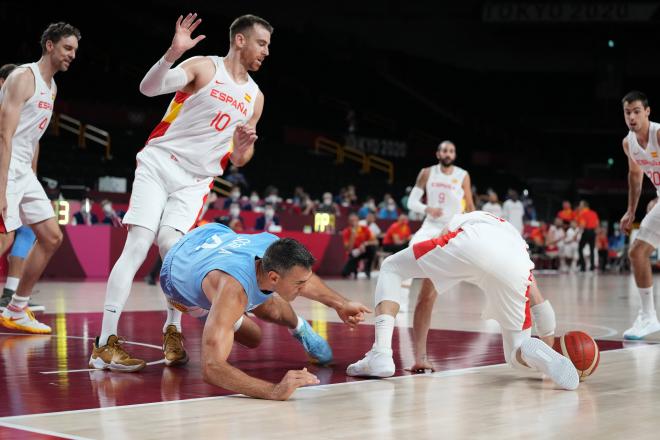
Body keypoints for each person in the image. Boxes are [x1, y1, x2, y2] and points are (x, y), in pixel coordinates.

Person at [92, 13, 271, 369]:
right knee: (140, 244)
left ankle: (172, 332)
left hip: (196, 180)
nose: (266, 51)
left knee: (174, 250)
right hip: (161, 163)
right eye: (262, 43)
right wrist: (172, 53)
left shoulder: (255, 97)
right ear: (240, 40)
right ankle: (104, 344)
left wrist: (240, 147)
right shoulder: (204, 68)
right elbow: (148, 88)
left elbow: (239, 158)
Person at [346, 211, 578, 391]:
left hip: (469, 244)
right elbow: (539, 304)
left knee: (391, 267)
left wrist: (420, 357)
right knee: (516, 356)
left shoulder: (460, 220)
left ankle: (381, 354)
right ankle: (535, 353)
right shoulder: (513, 238)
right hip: (514, 267)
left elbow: (426, 299)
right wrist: (550, 349)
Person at [155, 223, 371, 400]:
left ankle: (300, 328)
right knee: (253, 337)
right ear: (274, 277)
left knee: (269, 306)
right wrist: (273, 390)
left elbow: (303, 276)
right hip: (177, 278)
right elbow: (211, 368)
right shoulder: (233, 292)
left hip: (213, 235)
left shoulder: (272, 247)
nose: (303, 287)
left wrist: (340, 304)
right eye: (299, 284)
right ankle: (184, 320)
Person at [0, 22, 81, 333]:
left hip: (24, 170)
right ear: (49, 45)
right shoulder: (23, 77)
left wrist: (30, 181)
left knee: (51, 236)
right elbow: (5, 136)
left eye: (74, 50)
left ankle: (17, 308)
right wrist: (3, 188)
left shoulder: (52, 88)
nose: (72, 55)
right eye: (67, 48)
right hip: (5, 163)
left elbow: (32, 139)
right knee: (5, 236)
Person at [406, 140, 475, 313]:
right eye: (444, 151)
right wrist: (427, 208)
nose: (447, 154)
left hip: (452, 226)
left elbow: (470, 206)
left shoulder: (462, 175)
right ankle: (401, 304)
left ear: (455, 155)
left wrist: (472, 223)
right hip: (431, 224)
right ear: (438, 154)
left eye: (451, 151)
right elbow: (411, 202)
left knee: (474, 263)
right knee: (409, 254)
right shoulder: (427, 172)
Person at [0, 64, 41, 313]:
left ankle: (10, 294)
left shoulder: (28, 106)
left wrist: (32, 175)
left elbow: (33, 143)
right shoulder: (7, 102)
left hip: (21, 174)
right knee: (6, 234)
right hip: (6, 172)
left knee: (25, 232)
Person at [619, 90, 660, 339]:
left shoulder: (658, 134)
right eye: (627, 112)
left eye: (636, 111)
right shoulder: (629, 144)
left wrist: (656, 199)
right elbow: (635, 177)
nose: (632, 117)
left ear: (647, 112)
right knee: (637, 252)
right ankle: (649, 318)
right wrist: (630, 211)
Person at [341, 212, 378, 279]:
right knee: (344, 273)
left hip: (364, 250)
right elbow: (348, 249)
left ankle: (367, 270)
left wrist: (365, 244)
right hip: (354, 253)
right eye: (351, 221)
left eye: (355, 220)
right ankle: (354, 269)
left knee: (373, 248)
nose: (353, 222)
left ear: (358, 220)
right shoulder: (346, 232)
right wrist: (353, 235)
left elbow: (375, 242)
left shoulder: (365, 229)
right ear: (348, 222)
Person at [576, 200, 599, 272]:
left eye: (580, 205)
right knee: (592, 250)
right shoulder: (594, 213)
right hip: (593, 232)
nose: (579, 206)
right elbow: (597, 223)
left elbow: (582, 224)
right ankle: (592, 267)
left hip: (586, 231)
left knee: (580, 248)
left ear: (584, 206)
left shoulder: (582, 213)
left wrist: (577, 233)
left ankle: (583, 267)